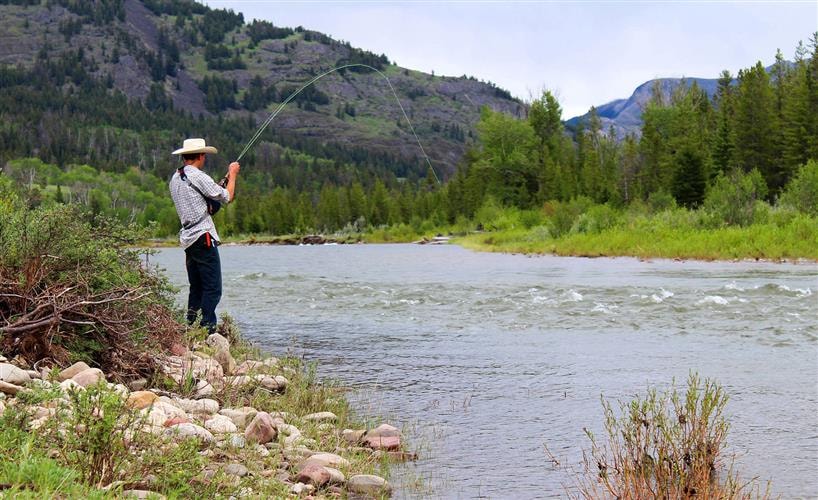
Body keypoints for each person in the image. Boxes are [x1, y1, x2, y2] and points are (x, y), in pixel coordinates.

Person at [169, 138, 240, 333]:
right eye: (204, 155)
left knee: (197, 287)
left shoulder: (175, 178)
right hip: (203, 237)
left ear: (185, 156)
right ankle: (207, 329)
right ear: (200, 156)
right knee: (213, 288)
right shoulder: (198, 176)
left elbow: (200, 199)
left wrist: (219, 184)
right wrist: (233, 174)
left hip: (188, 240)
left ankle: (191, 327)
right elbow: (227, 197)